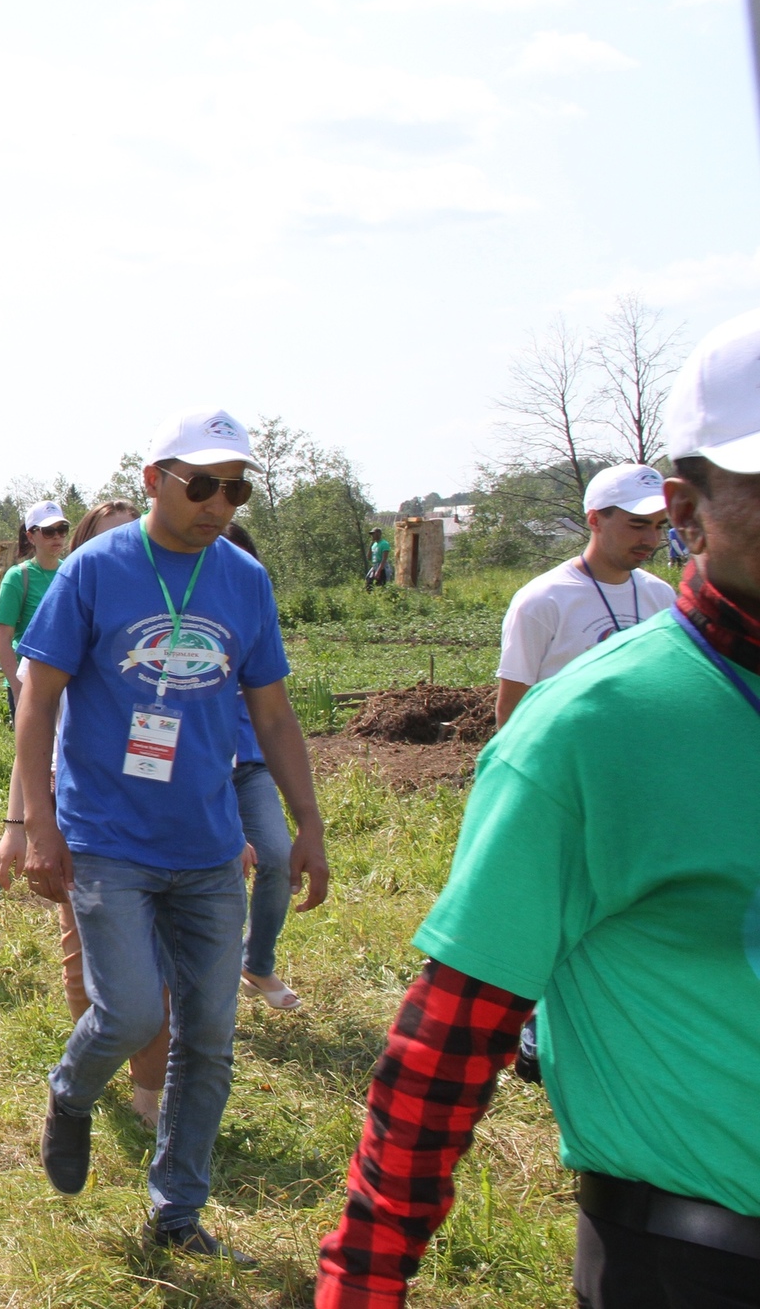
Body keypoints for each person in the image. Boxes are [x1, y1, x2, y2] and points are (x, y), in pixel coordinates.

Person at [316, 307, 760, 1309]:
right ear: (683, 506)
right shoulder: (590, 729)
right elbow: (447, 1033)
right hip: (703, 1266)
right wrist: (363, 1278)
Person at [17, 409, 328, 1260]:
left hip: (206, 843)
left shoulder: (243, 580)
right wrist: (35, 823)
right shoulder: (93, 570)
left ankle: (177, 1211)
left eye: (237, 488)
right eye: (204, 485)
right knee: (122, 1013)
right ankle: (71, 1091)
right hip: (109, 836)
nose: (221, 504)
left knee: (209, 1035)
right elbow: (38, 699)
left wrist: (308, 823)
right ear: (156, 479)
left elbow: (271, 710)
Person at [0, 497, 171, 1126]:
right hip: (85, 815)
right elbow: (33, 732)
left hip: (167, 818)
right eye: (111, 541)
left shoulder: (176, 627)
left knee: (160, 965)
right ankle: (91, 1071)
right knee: (85, 954)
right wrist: (18, 827)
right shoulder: (65, 623)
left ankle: (150, 1092)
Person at [495, 463, 677, 728]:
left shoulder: (661, 596)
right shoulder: (542, 600)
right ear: (595, 520)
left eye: (660, 525)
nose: (652, 539)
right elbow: (511, 709)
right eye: (637, 525)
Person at [220, 522, 305, 1014]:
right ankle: (212, 979)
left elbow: (274, 707)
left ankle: (257, 960)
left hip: (250, 765)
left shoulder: (253, 615)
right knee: (223, 868)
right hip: (197, 768)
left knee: (274, 854)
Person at [0, 501, 71, 723]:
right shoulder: (18, 577)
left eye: (62, 530)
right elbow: (3, 639)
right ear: (31, 536)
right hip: (28, 679)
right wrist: (18, 688)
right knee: (34, 755)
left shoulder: (72, 571)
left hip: (65, 680)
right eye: (48, 531)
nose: (57, 537)